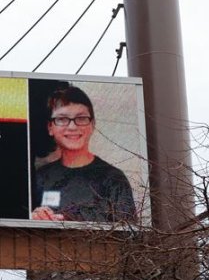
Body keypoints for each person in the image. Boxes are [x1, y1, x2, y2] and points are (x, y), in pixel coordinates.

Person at [31, 86, 136, 223]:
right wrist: (35, 217)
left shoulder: (113, 179)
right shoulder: (40, 178)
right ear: (50, 127)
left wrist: (69, 219)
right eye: (62, 119)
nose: (72, 127)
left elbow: (129, 228)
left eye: (81, 118)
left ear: (92, 124)